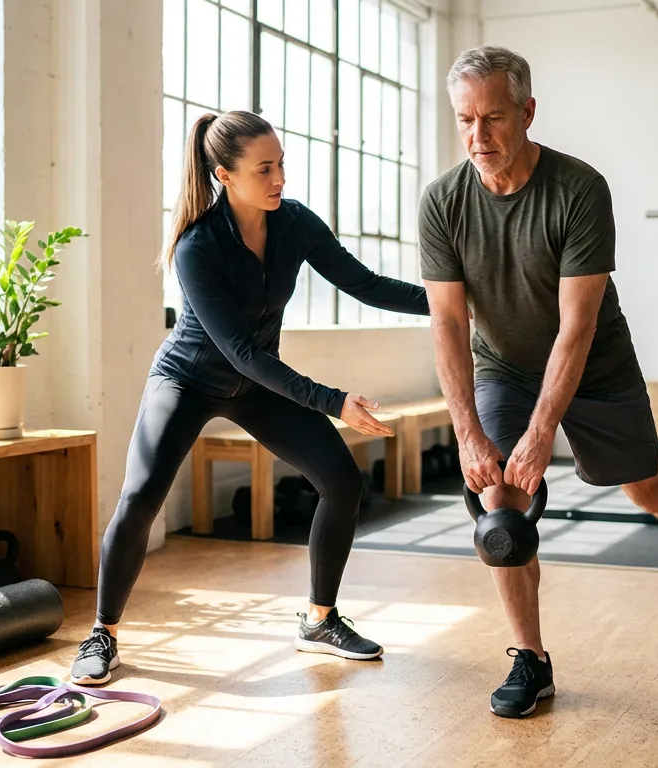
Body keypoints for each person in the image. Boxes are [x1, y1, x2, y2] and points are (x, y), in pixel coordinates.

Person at [71, 110, 430, 685]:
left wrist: (454, 301)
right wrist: (332, 400)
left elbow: (365, 284)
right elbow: (240, 351)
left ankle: (319, 621)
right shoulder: (197, 246)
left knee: (342, 480)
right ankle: (102, 633)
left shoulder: (294, 224)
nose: (279, 178)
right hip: (188, 381)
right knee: (140, 496)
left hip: (254, 386)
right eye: (264, 168)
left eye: (281, 163)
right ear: (224, 175)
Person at [418, 46, 658, 719]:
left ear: (527, 111)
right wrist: (468, 434)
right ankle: (532, 660)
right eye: (465, 120)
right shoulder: (443, 202)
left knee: (644, 488)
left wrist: (541, 432)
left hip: (596, 365)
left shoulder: (579, 188)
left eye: (493, 118)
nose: (478, 137)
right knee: (500, 500)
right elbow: (446, 323)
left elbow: (576, 327)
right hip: (503, 367)